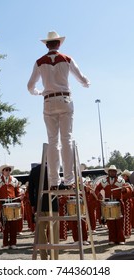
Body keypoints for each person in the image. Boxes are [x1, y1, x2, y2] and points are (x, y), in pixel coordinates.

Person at [27, 31, 90, 189]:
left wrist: (38, 92)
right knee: (66, 139)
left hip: (48, 100)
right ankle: (68, 179)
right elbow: (81, 78)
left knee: (53, 141)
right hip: (64, 99)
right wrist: (86, 83)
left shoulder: (39, 62)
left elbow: (30, 86)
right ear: (59, 44)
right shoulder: (67, 59)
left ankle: (54, 181)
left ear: (47, 45)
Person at [29, 163, 59, 260]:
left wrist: (33, 204)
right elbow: (58, 185)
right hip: (53, 203)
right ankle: (54, 258)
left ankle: (43, 258)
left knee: (41, 234)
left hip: (39, 204)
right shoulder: (54, 167)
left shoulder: (34, 170)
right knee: (54, 233)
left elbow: (30, 189)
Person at [95, 165, 131, 245]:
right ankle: (112, 239)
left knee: (119, 222)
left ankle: (121, 239)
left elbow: (128, 189)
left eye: (113, 171)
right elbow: (97, 189)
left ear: (116, 172)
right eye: (110, 171)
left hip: (118, 202)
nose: (112, 172)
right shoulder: (103, 181)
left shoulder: (121, 181)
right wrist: (99, 194)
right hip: (108, 203)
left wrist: (125, 190)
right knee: (110, 222)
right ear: (108, 172)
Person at [0, 164, 21, 249]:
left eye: (9, 170)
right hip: (3, 204)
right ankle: (6, 243)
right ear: (2, 171)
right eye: (6, 170)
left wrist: (20, 196)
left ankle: (13, 243)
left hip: (13, 203)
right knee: (5, 225)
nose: (8, 171)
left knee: (14, 224)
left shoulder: (14, 180)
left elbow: (17, 192)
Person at [121, 170, 133, 239]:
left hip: (127, 201)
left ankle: (127, 233)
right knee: (126, 218)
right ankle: (126, 232)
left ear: (126, 177)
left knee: (127, 218)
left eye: (123, 176)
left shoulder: (127, 184)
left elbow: (129, 193)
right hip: (126, 201)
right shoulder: (126, 183)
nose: (122, 177)